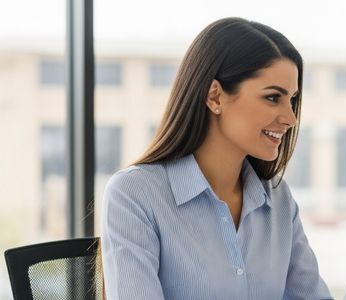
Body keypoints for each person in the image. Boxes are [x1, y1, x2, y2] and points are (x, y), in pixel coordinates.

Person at [101, 17, 332, 299]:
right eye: (273, 98)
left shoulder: (278, 199)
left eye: (292, 100)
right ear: (215, 96)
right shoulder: (136, 195)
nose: (291, 118)